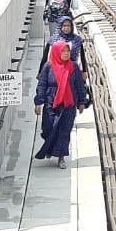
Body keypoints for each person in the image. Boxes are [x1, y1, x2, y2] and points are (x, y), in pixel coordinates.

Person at [34, 40, 89, 169]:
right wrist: (38, 102)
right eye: (63, 51)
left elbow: (80, 85)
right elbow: (42, 84)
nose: (66, 53)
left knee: (64, 130)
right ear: (57, 52)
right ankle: (50, 147)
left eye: (68, 51)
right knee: (48, 128)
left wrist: (82, 101)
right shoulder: (48, 66)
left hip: (68, 103)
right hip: (51, 102)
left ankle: (61, 157)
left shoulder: (73, 67)